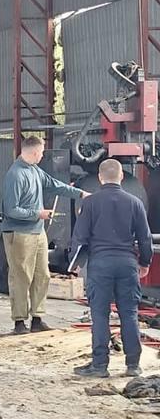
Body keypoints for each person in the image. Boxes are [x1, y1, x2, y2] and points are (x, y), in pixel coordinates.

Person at [69, 159, 153, 379]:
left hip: (100, 264)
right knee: (129, 313)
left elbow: (79, 237)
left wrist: (75, 264)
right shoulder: (135, 203)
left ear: (100, 178)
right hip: (127, 264)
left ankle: (99, 365)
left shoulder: (90, 203)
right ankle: (133, 364)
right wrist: (144, 263)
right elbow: (145, 239)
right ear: (121, 177)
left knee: (99, 314)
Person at [1, 136, 88, 334]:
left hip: (38, 231)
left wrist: (80, 193)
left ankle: (37, 318)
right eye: (41, 152)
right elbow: (11, 210)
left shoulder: (34, 170)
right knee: (21, 277)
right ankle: (19, 322)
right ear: (33, 152)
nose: (42, 156)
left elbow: (54, 184)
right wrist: (37, 214)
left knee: (42, 275)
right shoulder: (15, 175)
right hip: (20, 234)